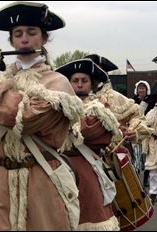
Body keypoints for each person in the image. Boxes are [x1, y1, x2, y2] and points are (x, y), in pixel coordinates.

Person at [0, 2, 87, 230]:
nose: (24, 39)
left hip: (40, 180)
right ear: (11, 41)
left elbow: (21, 118)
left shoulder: (57, 83)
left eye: (31, 33)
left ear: (44, 39)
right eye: (18, 34)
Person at [56, 58, 122, 230]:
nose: (79, 85)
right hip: (58, 168)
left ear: (91, 84)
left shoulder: (99, 107)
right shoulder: (56, 106)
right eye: (75, 81)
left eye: (84, 81)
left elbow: (97, 134)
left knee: (92, 216)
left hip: (87, 169)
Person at [132, 80, 156, 186]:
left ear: (147, 90)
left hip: (147, 132)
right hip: (136, 131)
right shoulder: (132, 101)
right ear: (137, 90)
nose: (141, 90)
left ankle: (146, 179)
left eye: (143, 88)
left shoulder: (151, 101)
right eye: (140, 88)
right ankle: (136, 178)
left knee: (147, 155)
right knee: (136, 155)